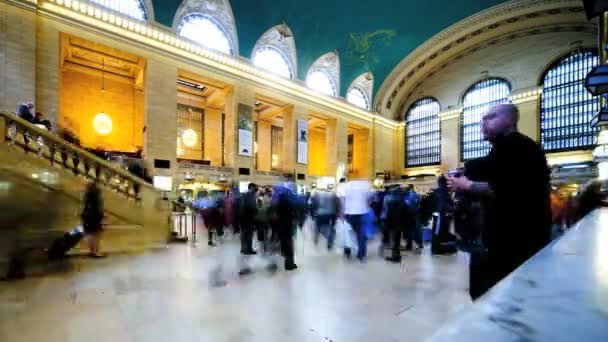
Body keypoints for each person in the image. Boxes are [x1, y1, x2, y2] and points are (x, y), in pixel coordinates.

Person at [448, 104, 551, 300]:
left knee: (502, 298)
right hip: (501, 242)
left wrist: (466, 185)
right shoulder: (502, 150)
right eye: (483, 119)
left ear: (510, 120)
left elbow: (504, 188)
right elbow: (487, 171)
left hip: (516, 244)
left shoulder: (519, 146)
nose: (483, 122)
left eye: (491, 117)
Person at [342, 179, 371, 261]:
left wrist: (342, 214)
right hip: (362, 213)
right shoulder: (366, 184)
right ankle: (361, 254)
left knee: (347, 233)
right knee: (361, 235)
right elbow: (369, 200)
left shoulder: (346, 185)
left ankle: (347, 251)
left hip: (349, 214)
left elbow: (342, 201)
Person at [82, 180, 104, 257]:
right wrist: (102, 215)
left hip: (87, 216)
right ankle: (96, 252)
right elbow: (100, 207)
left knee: (89, 234)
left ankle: (92, 251)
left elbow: (85, 206)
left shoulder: (86, 195)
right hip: (95, 216)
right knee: (97, 235)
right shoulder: (97, 195)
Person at [240, 183, 258, 255]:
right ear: (251, 187)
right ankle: (248, 249)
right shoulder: (249, 195)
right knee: (248, 234)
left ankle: (244, 249)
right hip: (248, 218)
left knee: (245, 234)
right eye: (255, 187)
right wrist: (255, 210)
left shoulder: (246, 195)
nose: (255, 189)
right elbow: (251, 206)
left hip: (245, 218)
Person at [403, 184, 423, 253]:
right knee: (413, 230)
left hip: (413, 215)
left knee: (415, 230)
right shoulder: (409, 195)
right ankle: (414, 244)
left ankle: (417, 244)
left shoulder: (412, 195)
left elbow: (414, 204)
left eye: (406, 188)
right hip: (412, 215)